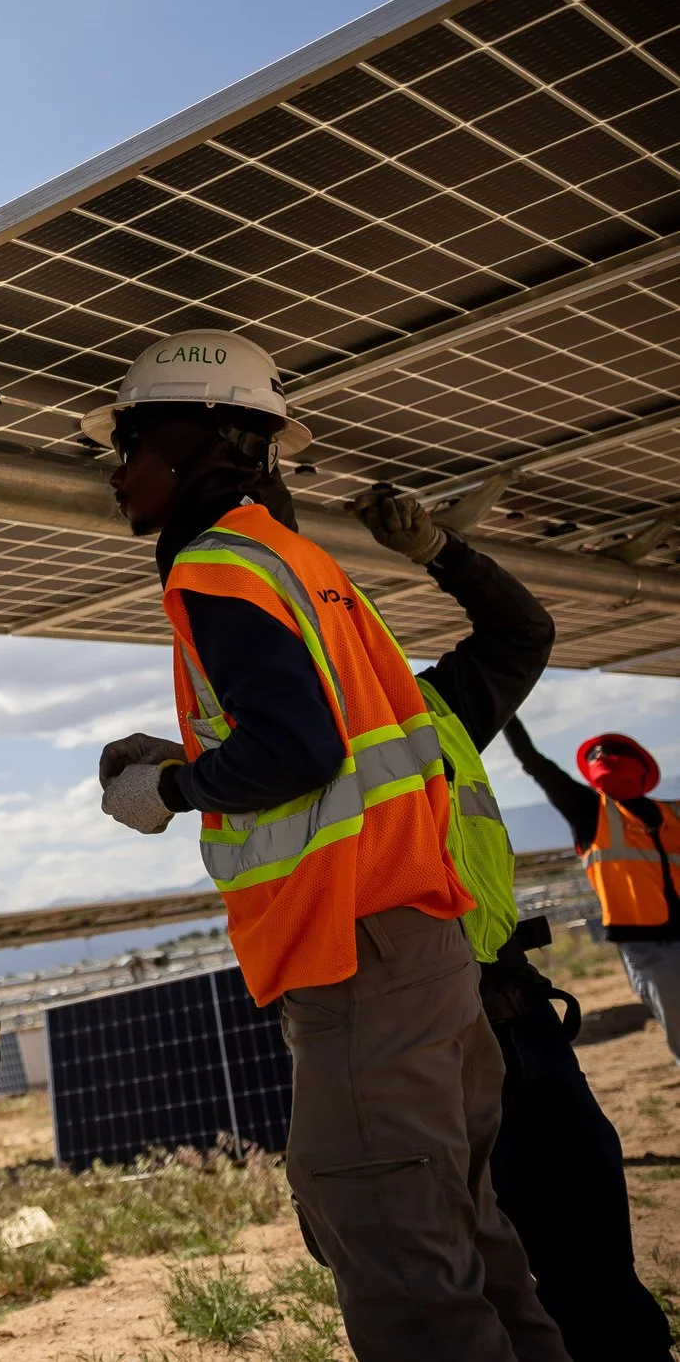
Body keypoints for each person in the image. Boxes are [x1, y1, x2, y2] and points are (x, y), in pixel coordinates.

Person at [86, 328, 566, 1362]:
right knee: (475, 1253)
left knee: (410, 1279)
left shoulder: (217, 566)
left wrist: (171, 787)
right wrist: (192, 755)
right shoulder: (302, 564)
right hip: (426, 955)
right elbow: (333, 744)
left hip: (358, 960)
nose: (115, 472)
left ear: (190, 441)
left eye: (125, 442)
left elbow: (298, 751)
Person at [362, 488, 669, 1360]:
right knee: (489, 1285)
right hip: (427, 1045)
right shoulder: (297, 740)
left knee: (597, 1269)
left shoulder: (438, 707)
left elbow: (523, 631)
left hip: (521, 1025)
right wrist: (177, 773)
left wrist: (440, 552)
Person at [506, 722, 680, 1068]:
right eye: (595, 755)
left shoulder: (673, 813)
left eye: (612, 752)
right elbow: (534, 762)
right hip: (651, 951)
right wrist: (504, 708)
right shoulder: (588, 811)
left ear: (642, 766)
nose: (602, 757)